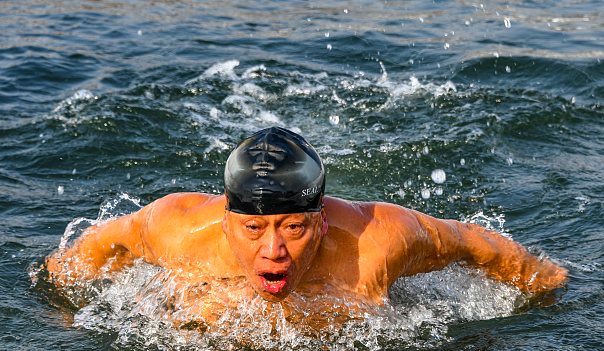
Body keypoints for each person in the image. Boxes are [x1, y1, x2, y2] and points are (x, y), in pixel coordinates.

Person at [45, 127, 567, 320]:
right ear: (228, 221)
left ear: (319, 222)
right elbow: (98, 245)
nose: (274, 250)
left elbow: (469, 242)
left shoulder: (377, 242)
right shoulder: (177, 229)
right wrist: (62, 303)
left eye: (293, 228)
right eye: (254, 229)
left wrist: (547, 289)